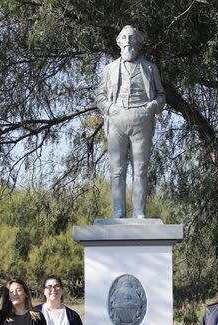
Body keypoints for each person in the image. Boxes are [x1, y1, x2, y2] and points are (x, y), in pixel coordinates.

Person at [96, 25, 165, 218]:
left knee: (140, 169)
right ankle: (119, 212)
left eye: (132, 38)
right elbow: (99, 96)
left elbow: (161, 96)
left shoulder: (150, 68)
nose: (128, 41)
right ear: (118, 42)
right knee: (117, 169)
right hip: (116, 120)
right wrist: (110, 108)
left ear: (139, 42)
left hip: (142, 120)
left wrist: (151, 107)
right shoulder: (109, 69)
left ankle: (139, 213)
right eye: (124, 37)